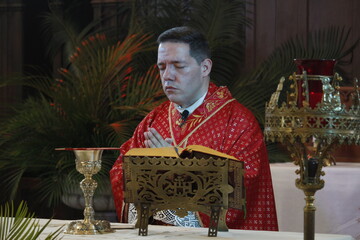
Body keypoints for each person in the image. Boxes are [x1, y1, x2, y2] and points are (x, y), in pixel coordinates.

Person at [110, 26, 278, 231]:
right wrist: (151, 171)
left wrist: (174, 171)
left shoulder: (238, 123)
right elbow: (120, 171)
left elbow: (241, 189)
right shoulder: (153, 120)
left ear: (205, 67)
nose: (167, 76)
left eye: (178, 66)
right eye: (162, 67)